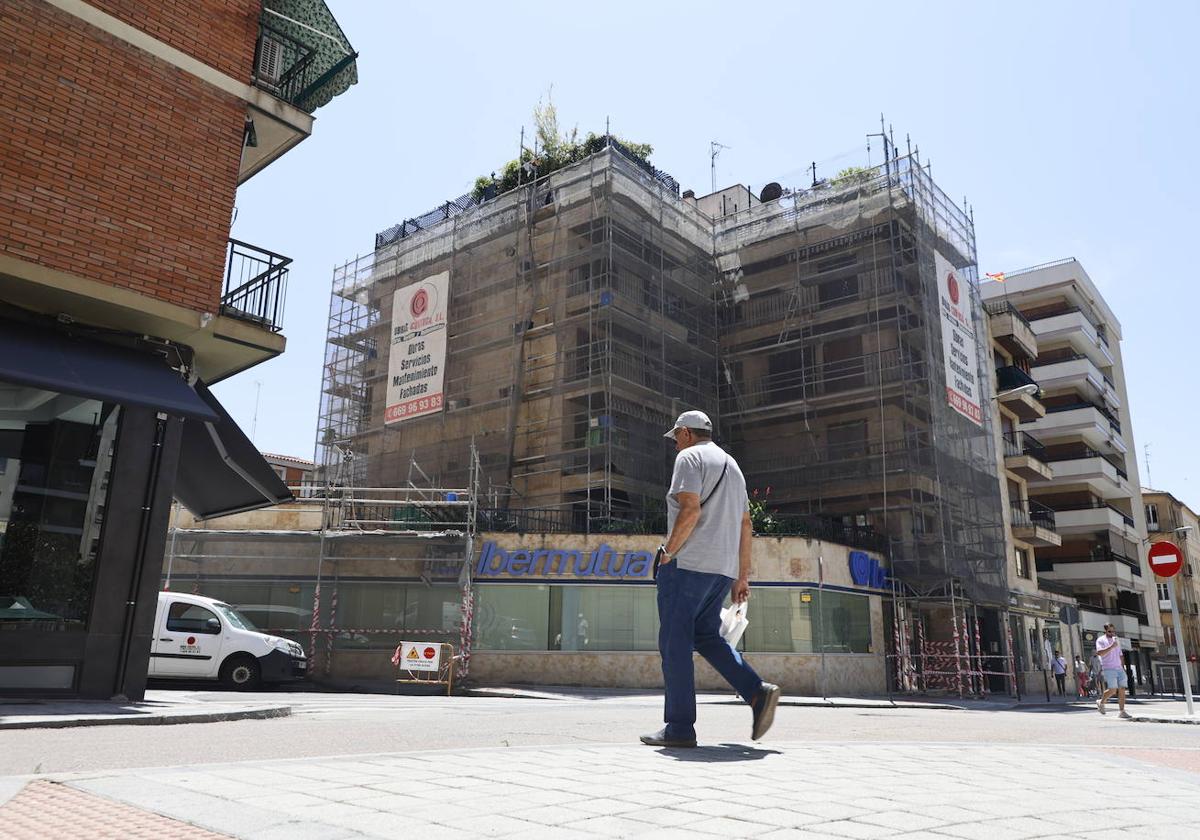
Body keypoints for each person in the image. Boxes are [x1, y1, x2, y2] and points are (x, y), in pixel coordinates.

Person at [640, 410, 781, 748]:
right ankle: (756, 692)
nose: (675, 444)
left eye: (676, 437)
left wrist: (668, 552)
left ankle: (679, 727)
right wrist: (741, 576)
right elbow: (746, 525)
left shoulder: (689, 458)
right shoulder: (733, 467)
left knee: (674, 644)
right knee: (705, 636)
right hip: (721, 570)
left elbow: (690, 510)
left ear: (686, 433)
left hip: (688, 564)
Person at [1095, 623, 1131, 719]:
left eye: (1113, 631)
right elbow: (1100, 653)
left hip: (1119, 668)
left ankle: (1122, 711)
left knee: (1122, 689)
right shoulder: (1101, 640)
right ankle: (1101, 702)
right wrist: (1111, 646)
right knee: (1112, 690)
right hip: (1109, 668)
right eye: (1110, 631)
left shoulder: (1116, 639)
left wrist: (1123, 667)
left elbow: (1120, 655)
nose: (1112, 633)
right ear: (1105, 631)